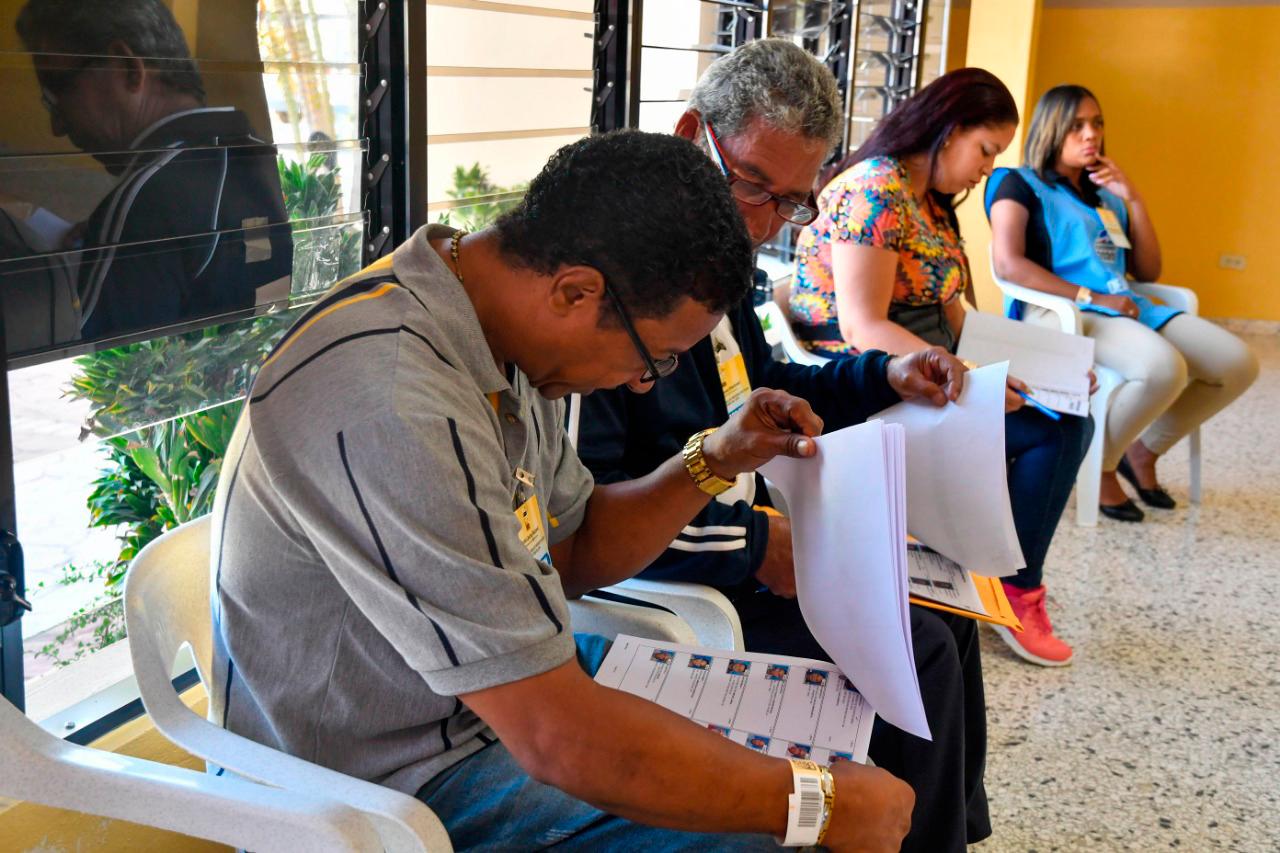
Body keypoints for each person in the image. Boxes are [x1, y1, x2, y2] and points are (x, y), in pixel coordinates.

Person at [212, 129, 915, 851]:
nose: (646, 382)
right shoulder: (391, 399)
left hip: (487, 701)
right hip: (383, 777)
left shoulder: (497, 334)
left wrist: (714, 460)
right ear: (576, 290)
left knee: (833, 717)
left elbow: (574, 547)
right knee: (778, 833)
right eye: (655, 358)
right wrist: (814, 802)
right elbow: (554, 736)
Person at [576, 40, 989, 852]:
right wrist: (757, 542)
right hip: (695, 576)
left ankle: (941, 832)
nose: (762, 221)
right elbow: (588, 511)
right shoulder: (606, 298)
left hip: (755, 537)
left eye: (790, 200)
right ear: (694, 135)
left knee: (950, 616)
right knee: (923, 650)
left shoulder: (721, 275)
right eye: (752, 186)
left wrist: (885, 374)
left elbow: (768, 389)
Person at [788, 68, 1093, 668]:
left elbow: (956, 313)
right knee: (1055, 432)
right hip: (872, 373)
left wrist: (1044, 364)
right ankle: (1013, 585)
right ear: (949, 131)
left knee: (1064, 409)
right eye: (984, 150)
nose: (986, 168)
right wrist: (975, 379)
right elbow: (863, 327)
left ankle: (997, 569)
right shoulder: (875, 189)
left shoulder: (930, 201)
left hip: (933, 364)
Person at [986, 84, 1258, 521]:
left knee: (1236, 364)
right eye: (1077, 126)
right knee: (1165, 368)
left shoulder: (1106, 196)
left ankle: (1140, 452)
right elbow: (1008, 263)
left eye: (1097, 124)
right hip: (1064, 309)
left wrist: (1133, 198)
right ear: (1051, 128)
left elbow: (1148, 271)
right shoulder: (1017, 183)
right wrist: (1093, 296)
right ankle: (1102, 468)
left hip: (1126, 304)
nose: (1091, 134)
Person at [14, 0, 292, 345]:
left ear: (129, 69)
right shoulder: (263, 157)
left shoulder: (148, 199)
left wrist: (121, 229)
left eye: (56, 94)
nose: (57, 126)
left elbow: (94, 371)